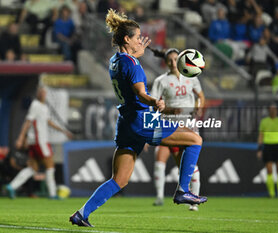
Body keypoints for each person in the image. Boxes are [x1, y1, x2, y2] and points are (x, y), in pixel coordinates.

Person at [69, 9, 207, 227]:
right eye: (137, 37)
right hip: (142, 120)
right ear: (127, 39)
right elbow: (141, 93)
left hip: (126, 123)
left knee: (119, 179)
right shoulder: (132, 65)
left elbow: (129, 81)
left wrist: (134, 55)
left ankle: (82, 214)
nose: (140, 41)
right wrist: (154, 102)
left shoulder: (116, 60)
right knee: (195, 139)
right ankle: (183, 191)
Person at [150, 48, 205, 211]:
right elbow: (153, 105)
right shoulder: (161, 81)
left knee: (189, 164)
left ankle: (193, 201)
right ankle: (160, 196)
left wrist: (199, 107)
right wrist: (168, 110)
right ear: (166, 62)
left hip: (187, 124)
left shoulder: (192, 77)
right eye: (170, 60)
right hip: (169, 126)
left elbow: (201, 97)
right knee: (165, 162)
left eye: (176, 59)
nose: (173, 62)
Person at [6, 86, 73, 199]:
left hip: (36, 141)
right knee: (50, 166)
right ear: (38, 94)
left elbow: (48, 122)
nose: (43, 94)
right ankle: (52, 194)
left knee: (33, 168)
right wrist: (21, 138)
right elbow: (28, 122)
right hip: (39, 141)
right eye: (41, 92)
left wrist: (63, 131)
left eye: (44, 92)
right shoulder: (35, 105)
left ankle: (12, 186)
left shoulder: (44, 107)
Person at [257, 103, 278, 198]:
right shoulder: (264, 122)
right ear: (268, 110)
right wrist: (259, 149)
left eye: (275, 109)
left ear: (277, 111)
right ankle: (271, 193)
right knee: (269, 171)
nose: (273, 111)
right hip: (268, 146)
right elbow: (261, 136)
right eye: (271, 109)